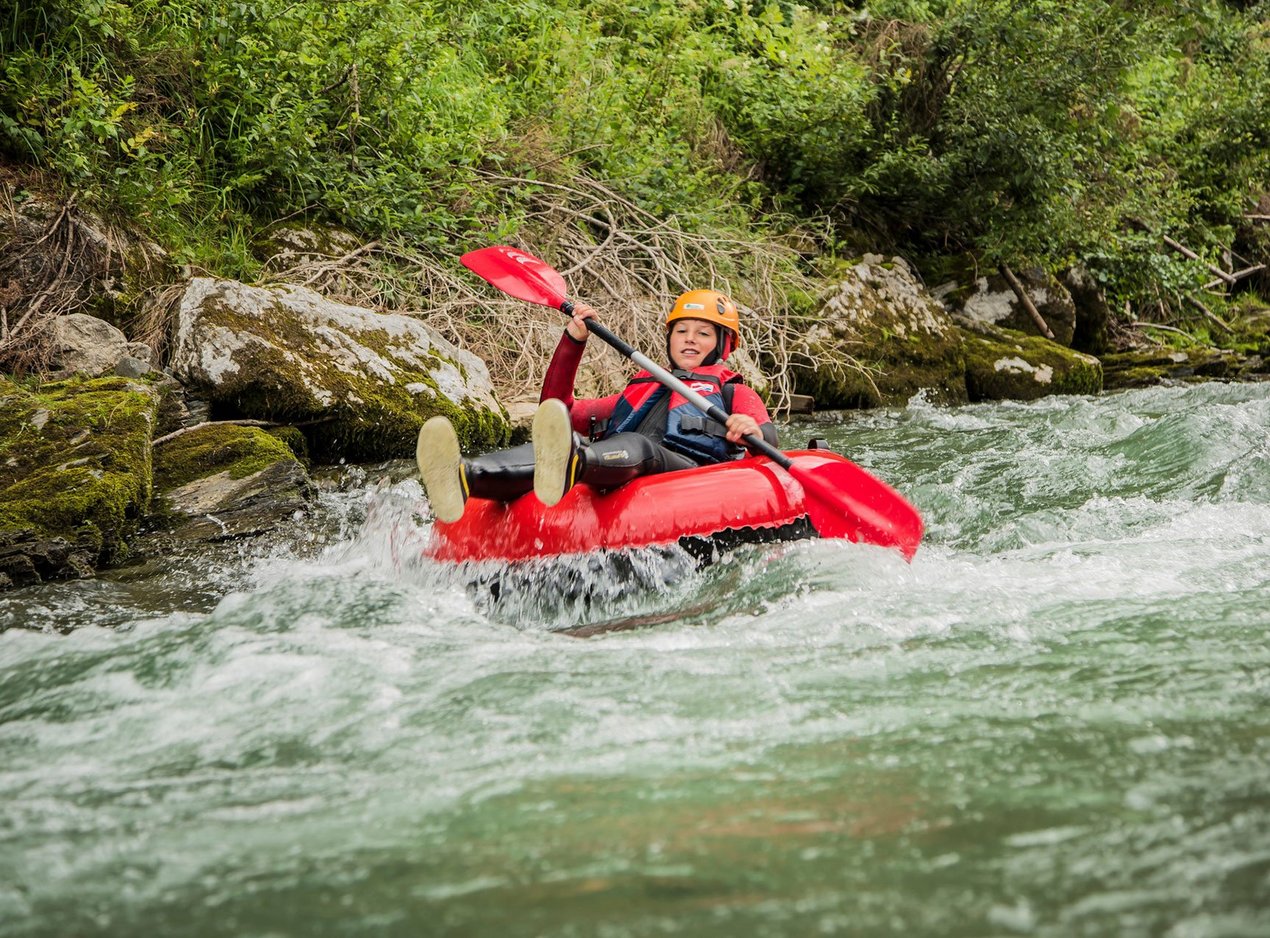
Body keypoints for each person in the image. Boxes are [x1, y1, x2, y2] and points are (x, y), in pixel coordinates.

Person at [417, 289, 778, 523]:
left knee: (639, 446)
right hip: (617, 465)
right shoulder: (641, 388)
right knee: (543, 448)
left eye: (703, 333)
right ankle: (467, 476)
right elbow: (557, 410)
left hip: (688, 472)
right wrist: (573, 341)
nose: (690, 339)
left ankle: (577, 462)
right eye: (682, 330)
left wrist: (749, 428)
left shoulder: (732, 393)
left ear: (722, 345)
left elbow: (768, 437)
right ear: (670, 338)